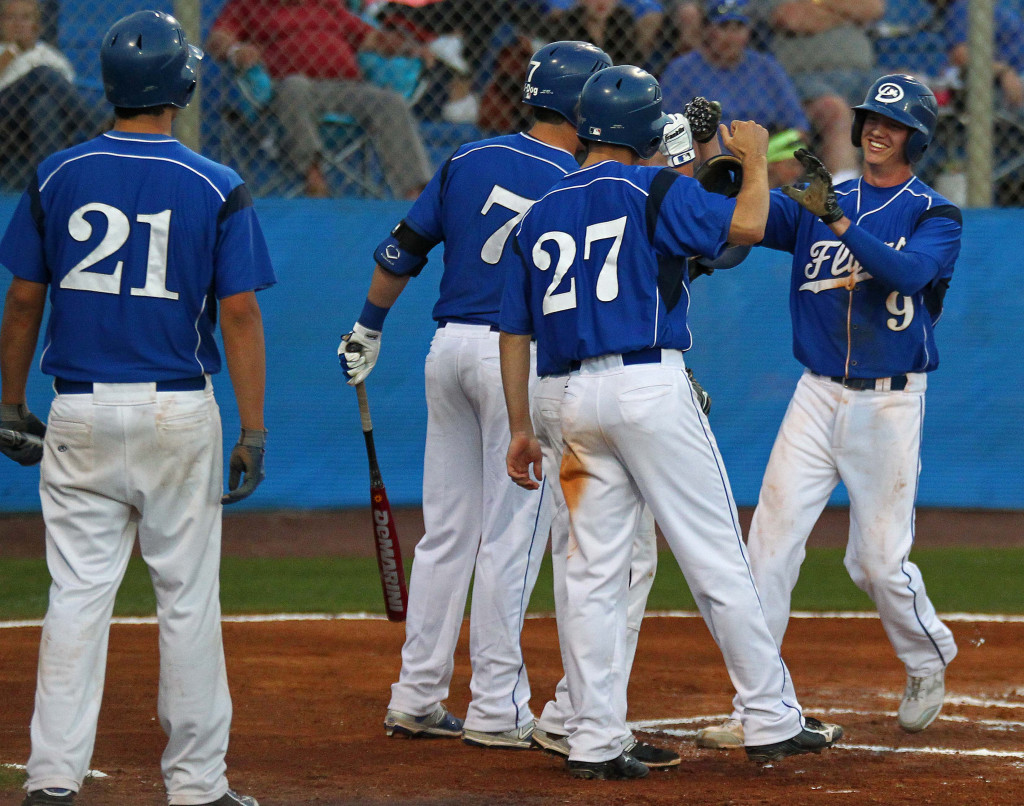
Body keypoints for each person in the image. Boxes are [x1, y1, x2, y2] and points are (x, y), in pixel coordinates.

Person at [500, 63, 842, 779]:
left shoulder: (540, 210)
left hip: (563, 397)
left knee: (592, 574)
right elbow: (746, 223)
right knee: (716, 553)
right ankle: (771, 716)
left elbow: (514, 331)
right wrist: (750, 160)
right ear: (644, 132)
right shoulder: (651, 188)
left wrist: (519, 426)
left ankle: (593, 737)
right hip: (646, 388)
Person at [0, 10, 273, 806]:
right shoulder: (215, 183)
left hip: (77, 412)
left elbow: (22, 304)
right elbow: (241, 314)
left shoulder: (55, 174)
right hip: (174, 414)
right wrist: (253, 425)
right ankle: (196, 785)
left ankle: (52, 779)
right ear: (181, 85)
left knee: (76, 595)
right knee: (186, 597)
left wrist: (9, 404)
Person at [338, 41, 612, 750]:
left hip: (448, 352)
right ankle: (496, 706)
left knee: (448, 533)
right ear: (584, 107)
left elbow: (400, 249)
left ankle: (417, 695)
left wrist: (368, 326)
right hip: (514, 360)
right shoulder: (583, 179)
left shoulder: (468, 159)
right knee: (511, 539)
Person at [695, 73, 961, 752]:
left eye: (893, 123)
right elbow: (741, 230)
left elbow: (907, 276)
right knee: (769, 550)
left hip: (889, 403)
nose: (877, 128)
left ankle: (928, 657)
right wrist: (719, 161)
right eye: (872, 117)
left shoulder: (934, 214)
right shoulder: (822, 197)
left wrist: (835, 219)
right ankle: (758, 706)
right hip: (815, 395)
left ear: (916, 138)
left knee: (876, 564)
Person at [206, 0, 436, 199]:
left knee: (390, 102)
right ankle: (313, 177)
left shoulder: (326, 4)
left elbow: (372, 38)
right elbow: (218, 38)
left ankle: (414, 194)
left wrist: (411, 48)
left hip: (345, 88)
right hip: (292, 90)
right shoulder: (250, 6)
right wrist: (235, 51)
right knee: (294, 87)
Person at [759, 0, 881, 181]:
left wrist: (818, 6)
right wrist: (849, 15)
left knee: (907, 96)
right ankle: (844, 196)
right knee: (835, 110)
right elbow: (794, 19)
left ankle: (896, 193)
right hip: (806, 77)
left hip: (863, 74)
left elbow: (873, 8)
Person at [660, 1, 810, 141]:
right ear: (706, 30)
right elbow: (667, 128)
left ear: (749, 32)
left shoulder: (766, 67)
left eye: (738, 27)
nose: (731, 36)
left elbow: (798, 125)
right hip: (708, 157)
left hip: (763, 155)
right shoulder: (681, 70)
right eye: (723, 27)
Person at [0, 0, 107, 189]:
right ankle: (102, 126)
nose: (17, 24)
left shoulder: (51, 56)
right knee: (42, 74)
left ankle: (49, 183)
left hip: (42, 128)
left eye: (25, 17)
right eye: (10, 17)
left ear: (37, 24)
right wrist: (11, 53)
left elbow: (67, 103)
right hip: (6, 124)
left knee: (44, 103)